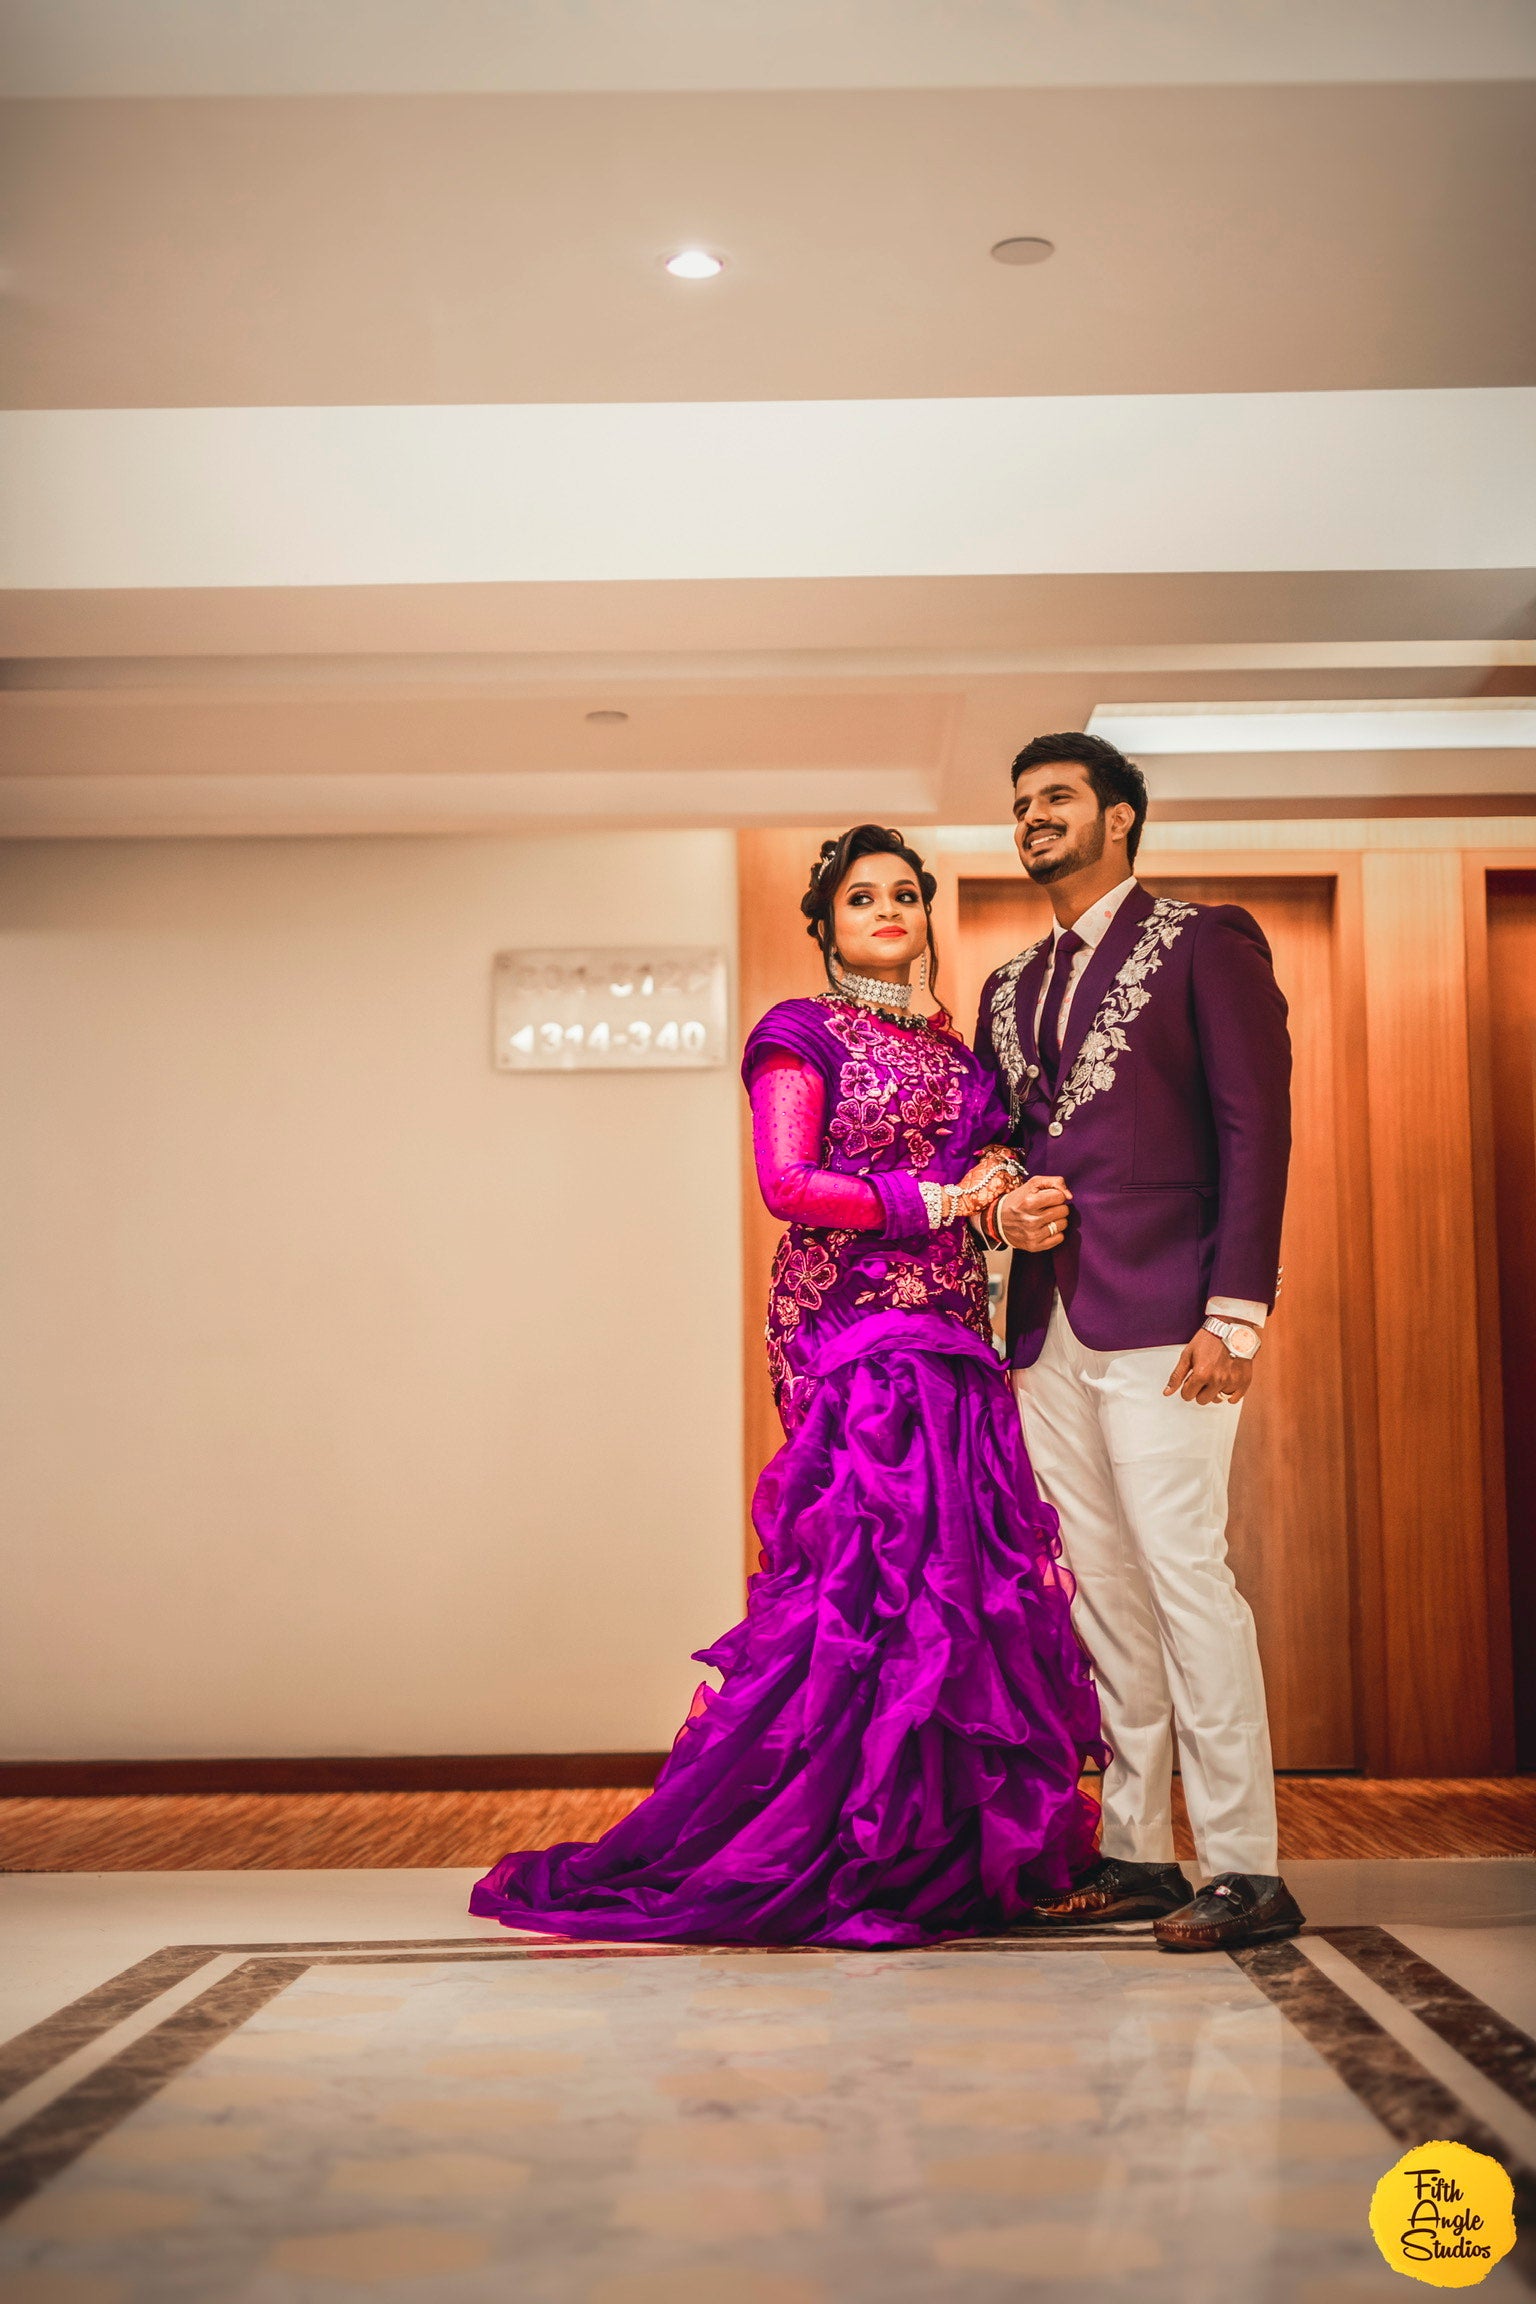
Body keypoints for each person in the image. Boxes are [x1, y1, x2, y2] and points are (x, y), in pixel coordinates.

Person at [471, 825, 1105, 1946]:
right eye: (863, 897)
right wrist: (945, 1202)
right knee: (875, 1577)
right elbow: (790, 1183)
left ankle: (947, 1855)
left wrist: (999, 1184)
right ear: (826, 925)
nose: (889, 909)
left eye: (905, 893)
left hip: (955, 1332)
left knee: (961, 1581)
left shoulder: (955, 1050)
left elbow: (989, 1154)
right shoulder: (798, 1033)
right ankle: (846, 1844)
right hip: (852, 1331)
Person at [972, 732, 1303, 1951]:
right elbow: (998, 1140)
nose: (1033, 817)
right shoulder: (1006, 984)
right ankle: (1137, 1853)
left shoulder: (1206, 941)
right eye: (1021, 804)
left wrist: (1237, 1312)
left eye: (1057, 797)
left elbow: (1256, 1128)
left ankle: (1247, 1867)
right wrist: (1001, 1199)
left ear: (1119, 817)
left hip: (1171, 1313)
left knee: (1184, 1576)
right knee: (1104, 1590)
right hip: (1044, 1322)